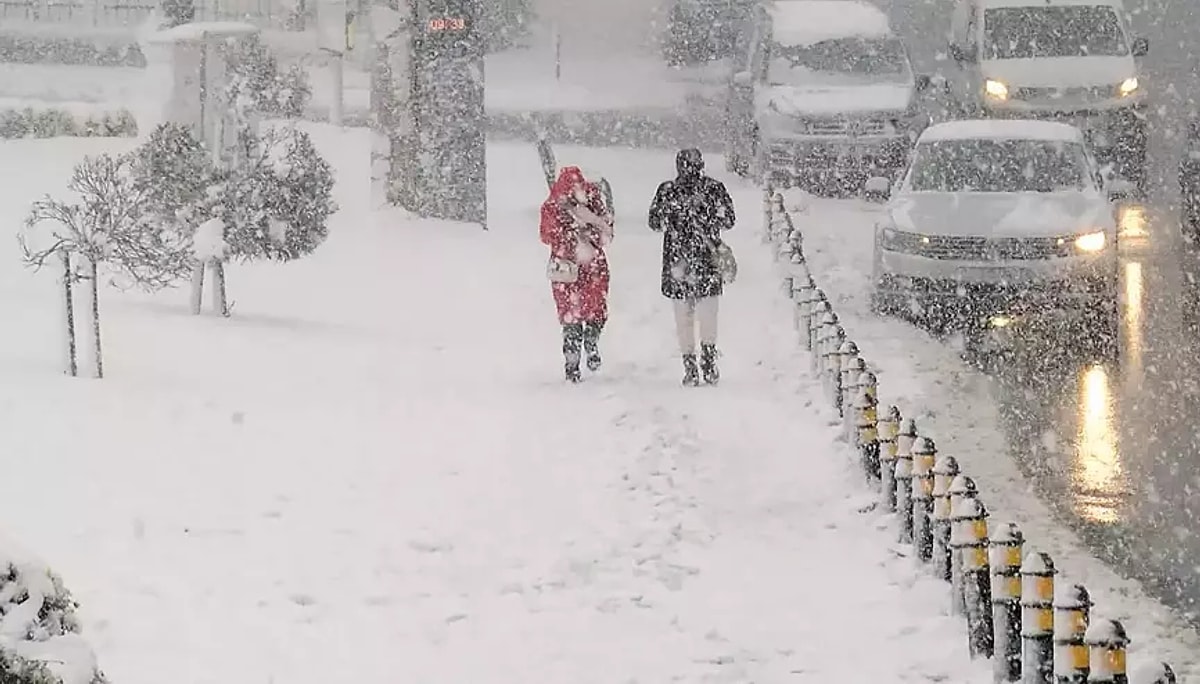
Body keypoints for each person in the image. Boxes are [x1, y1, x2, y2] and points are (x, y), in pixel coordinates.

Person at [648, 148, 736, 386]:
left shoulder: (668, 191)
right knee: (707, 315)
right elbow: (728, 219)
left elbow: (655, 222)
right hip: (702, 259)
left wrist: (676, 215)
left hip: (680, 259)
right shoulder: (712, 189)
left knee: (684, 317)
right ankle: (706, 361)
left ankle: (692, 364)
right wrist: (706, 217)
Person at [540, 166, 615, 383]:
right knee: (590, 310)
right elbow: (605, 233)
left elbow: (546, 235)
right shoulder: (586, 202)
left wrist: (570, 234)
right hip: (587, 266)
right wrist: (580, 232)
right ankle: (584, 349)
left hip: (568, 268)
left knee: (571, 315)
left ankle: (574, 360)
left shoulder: (554, 205)